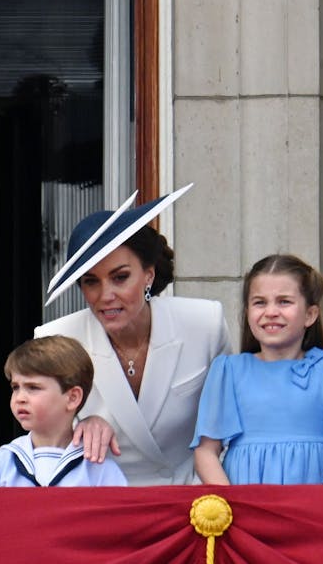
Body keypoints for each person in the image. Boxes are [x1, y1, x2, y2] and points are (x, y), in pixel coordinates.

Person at [36, 184, 231, 485]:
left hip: (192, 503)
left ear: (148, 275)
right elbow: (42, 443)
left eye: (120, 277)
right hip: (103, 504)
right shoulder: (56, 339)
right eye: (91, 282)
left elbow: (232, 424)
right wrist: (77, 425)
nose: (106, 295)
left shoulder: (204, 323)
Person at [190, 254, 323, 485]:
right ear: (247, 312)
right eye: (260, 302)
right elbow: (206, 452)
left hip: (312, 506)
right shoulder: (228, 371)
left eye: (284, 301)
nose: (271, 311)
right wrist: (231, 504)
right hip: (245, 506)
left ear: (310, 314)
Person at [0, 335, 127, 487]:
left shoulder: (99, 470)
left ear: (73, 397)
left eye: (33, 387)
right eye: (15, 387)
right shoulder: (0, 465)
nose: (20, 398)